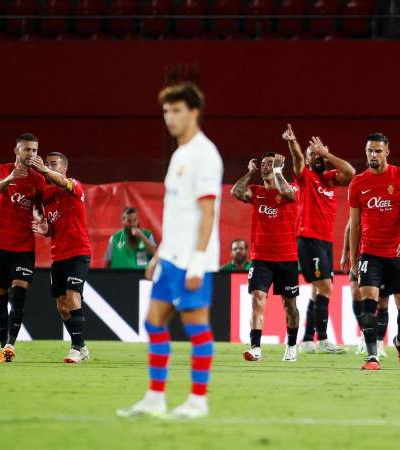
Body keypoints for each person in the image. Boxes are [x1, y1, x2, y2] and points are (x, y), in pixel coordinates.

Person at [118, 83, 222, 419]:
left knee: (196, 327)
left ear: (194, 112)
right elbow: (177, 213)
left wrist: (197, 262)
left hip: (193, 260)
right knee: (154, 322)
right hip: (172, 257)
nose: (170, 118)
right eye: (166, 111)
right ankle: (155, 397)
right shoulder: (179, 154)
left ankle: (197, 400)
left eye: (176, 110)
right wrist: (160, 253)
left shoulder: (205, 154)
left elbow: (208, 213)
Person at [348, 132, 400, 371]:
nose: (373, 155)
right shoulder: (358, 183)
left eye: (378, 151)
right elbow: (355, 225)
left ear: (387, 151)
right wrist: (353, 259)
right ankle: (372, 357)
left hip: (398, 253)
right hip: (370, 252)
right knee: (368, 301)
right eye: (370, 150)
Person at [282, 124, 355, 354]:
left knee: (318, 289)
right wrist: (293, 143)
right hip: (308, 238)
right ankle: (322, 340)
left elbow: (351, 171)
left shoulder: (331, 178)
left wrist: (326, 154)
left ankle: (305, 340)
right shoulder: (305, 177)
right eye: (310, 154)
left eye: (318, 153)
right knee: (325, 287)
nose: (315, 157)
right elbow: (296, 159)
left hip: (325, 242)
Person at [231, 152, 300, 363]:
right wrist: (250, 171)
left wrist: (278, 172)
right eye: (263, 164)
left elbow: (288, 195)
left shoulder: (292, 189)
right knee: (257, 298)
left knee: (290, 306)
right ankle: (256, 348)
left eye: (270, 163)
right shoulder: (256, 192)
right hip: (261, 258)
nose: (265, 167)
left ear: (279, 166)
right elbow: (236, 191)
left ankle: (291, 345)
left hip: (287, 258)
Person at [0, 133, 46, 363]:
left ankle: (11, 344)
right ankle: (4, 347)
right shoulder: (2, 169)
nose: (30, 154)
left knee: (19, 293)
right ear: (16, 151)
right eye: (26, 149)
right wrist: (12, 176)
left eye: (34, 150)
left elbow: (40, 208)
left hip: (24, 246)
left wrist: (41, 219)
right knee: (0, 297)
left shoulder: (38, 179)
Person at [31, 152, 92, 364]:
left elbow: (61, 182)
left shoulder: (74, 185)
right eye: (47, 164)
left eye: (53, 164)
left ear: (64, 168)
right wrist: (45, 228)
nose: (48, 167)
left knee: (73, 296)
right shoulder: (47, 196)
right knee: (61, 306)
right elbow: (51, 229)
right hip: (58, 255)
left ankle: (76, 348)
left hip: (78, 252)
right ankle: (82, 346)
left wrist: (43, 170)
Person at [341, 220, 391, 358]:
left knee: (382, 301)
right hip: (361, 257)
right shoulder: (363, 202)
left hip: (384, 257)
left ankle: (379, 342)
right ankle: (365, 334)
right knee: (356, 293)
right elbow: (350, 227)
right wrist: (345, 254)